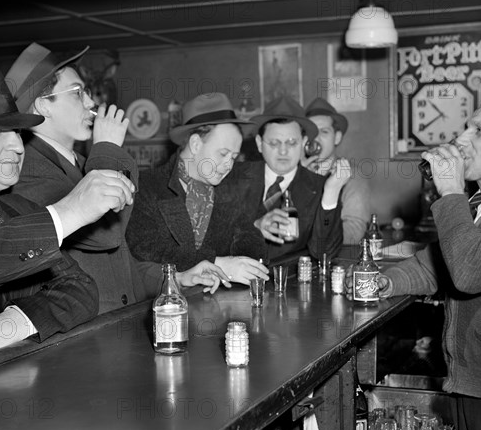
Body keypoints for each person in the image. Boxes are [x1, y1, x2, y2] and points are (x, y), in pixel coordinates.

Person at [0, 58, 131, 374]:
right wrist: (68, 212)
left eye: (15, 130)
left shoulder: (19, 210)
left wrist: (17, 320)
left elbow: (81, 289)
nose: (17, 145)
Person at [5, 43, 229, 314]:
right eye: (77, 93)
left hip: (114, 325)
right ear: (43, 106)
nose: (91, 103)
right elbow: (105, 237)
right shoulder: (27, 169)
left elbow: (118, 259)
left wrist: (175, 278)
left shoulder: (84, 163)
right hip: (80, 337)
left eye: (86, 92)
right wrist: (108, 149)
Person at [347, 94, 481, 430]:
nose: (462, 139)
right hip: (472, 379)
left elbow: (469, 271)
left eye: (479, 131)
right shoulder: (480, 203)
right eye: (465, 128)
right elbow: (435, 264)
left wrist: (451, 190)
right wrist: (387, 282)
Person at [126, 92, 269, 285]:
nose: (229, 165)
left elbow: (248, 239)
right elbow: (146, 249)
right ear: (195, 144)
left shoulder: (231, 190)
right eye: (223, 154)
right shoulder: (147, 186)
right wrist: (217, 263)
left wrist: (251, 261)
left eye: (233, 157)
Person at [231, 96, 347, 262]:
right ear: (259, 143)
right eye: (274, 143)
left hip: (290, 284)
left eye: (292, 143)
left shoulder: (319, 187)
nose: (283, 151)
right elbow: (212, 241)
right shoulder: (233, 177)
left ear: (304, 142)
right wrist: (254, 228)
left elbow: (324, 253)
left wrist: (331, 193)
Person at [303, 97, 371, 244]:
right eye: (311, 131)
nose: (316, 139)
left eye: (324, 132)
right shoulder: (293, 172)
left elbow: (354, 233)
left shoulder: (353, 177)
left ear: (337, 137)